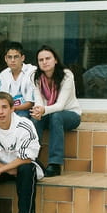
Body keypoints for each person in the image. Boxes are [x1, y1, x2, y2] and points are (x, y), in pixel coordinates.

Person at [30, 45, 82, 177]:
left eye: (48, 58)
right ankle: (31, 159)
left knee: (56, 116)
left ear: (56, 60)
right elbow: (38, 101)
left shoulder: (66, 75)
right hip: (48, 114)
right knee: (34, 119)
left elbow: (60, 105)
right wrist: (38, 110)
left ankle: (55, 164)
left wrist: (43, 110)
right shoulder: (35, 77)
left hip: (70, 115)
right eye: (41, 60)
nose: (44, 62)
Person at [0, 41, 36, 118]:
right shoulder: (3, 74)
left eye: (16, 57)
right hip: (8, 109)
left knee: (20, 116)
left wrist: (13, 108)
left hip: (27, 109)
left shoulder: (32, 71)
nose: (12, 60)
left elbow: (31, 103)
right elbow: (1, 98)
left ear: (22, 58)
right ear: (5, 59)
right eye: (9, 57)